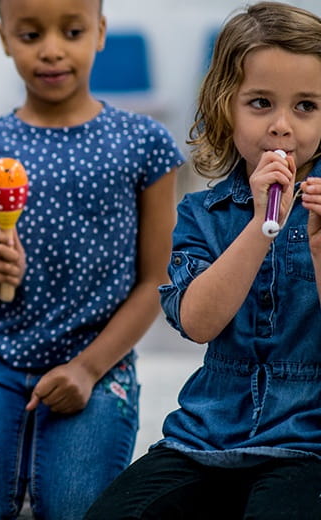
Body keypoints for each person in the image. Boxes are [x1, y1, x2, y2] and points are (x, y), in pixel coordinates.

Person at [0, 0, 185, 518]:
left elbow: (156, 279)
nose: (51, 50)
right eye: (29, 35)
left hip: (97, 359)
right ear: (4, 38)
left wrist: (89, 369)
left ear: (100, 32)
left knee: (75, 509)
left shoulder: (145, 144)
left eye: (71, 31)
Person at [84, 3, 321, 519]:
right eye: (261, 103)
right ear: (224, 108)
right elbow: (196, 322)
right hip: (206, 437)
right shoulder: (199, 214)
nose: (283, 127)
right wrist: (261, 227)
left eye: (306, 106)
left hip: (310, 442)